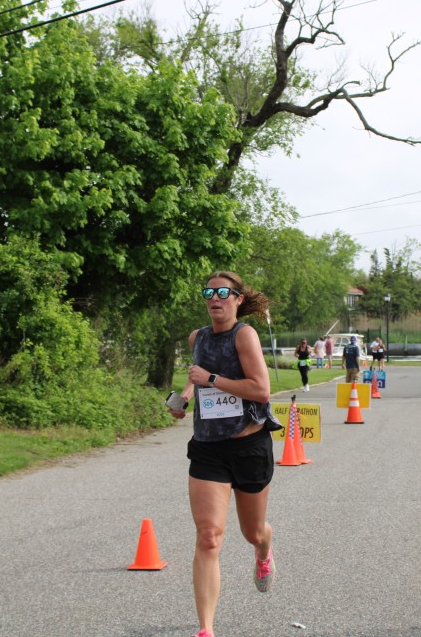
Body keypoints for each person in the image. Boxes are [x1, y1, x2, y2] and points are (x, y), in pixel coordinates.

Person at [168, 271, 283, 637]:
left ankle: (264, 549)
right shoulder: (198, 337)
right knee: (208, 536)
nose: (214, 298)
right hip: (208, 448)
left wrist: (212, 380)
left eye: (222, 292)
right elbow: (198, 374)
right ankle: (206, 629)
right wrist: (183, 398)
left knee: (252, 532)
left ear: (237, 298)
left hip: (248, 446)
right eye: (209, 292)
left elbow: (261, 390)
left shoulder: (244, 335)